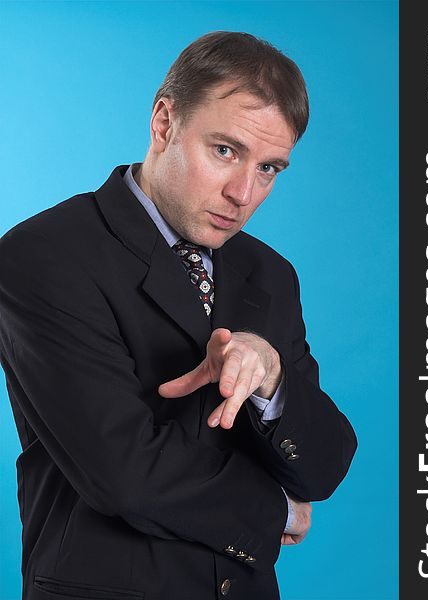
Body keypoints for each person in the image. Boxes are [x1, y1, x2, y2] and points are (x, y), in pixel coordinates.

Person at [0, 31, 357, 600]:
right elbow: (123, 474)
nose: (244, 193)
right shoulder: (43, 255)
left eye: (269, 168)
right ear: (164, 123)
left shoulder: (270, 274)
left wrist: (270, 377)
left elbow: (323, 465)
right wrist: (275, 509)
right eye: (225, 150)